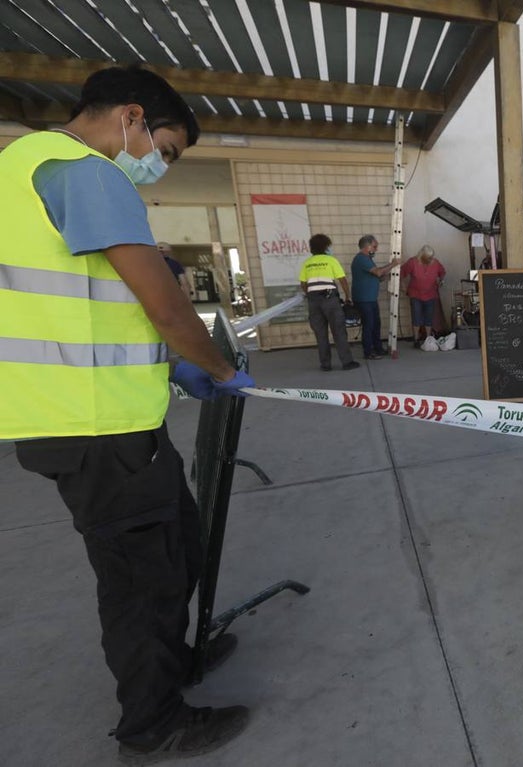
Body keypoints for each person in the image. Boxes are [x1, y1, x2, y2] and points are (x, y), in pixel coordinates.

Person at [1, 64, 254, 763]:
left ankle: (177, 660)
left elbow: (90, 310)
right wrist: (219, 368)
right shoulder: (83, 171)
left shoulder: (19, 167)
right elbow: (164, 302)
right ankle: (153, 722)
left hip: (101, 420)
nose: (157, 168)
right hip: (94, 427)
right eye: (164, 151)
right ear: (132, 118)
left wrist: (168, 368)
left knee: (178, 542)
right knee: (143, 579)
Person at [299, 233, 359, 371]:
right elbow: (342, 280)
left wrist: (310, 294)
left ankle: (325, 365)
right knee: (338, 331)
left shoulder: (307, 263)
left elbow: (303, 284)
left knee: (320, 333)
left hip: (314, 301)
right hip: (330, 299)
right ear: (326, 247)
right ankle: (347, 362)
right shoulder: (331, 260)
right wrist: (348, 297)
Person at [350, 234, 397, 360]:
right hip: (364, 300)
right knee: (369, 325)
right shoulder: (362, 259)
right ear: (367, 246)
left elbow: (375, 276)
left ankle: (378, 348)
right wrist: (393, 264)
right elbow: (378, 272)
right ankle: (368, 352)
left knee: (376, 324)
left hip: (370, 299)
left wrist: (388, 277)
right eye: (375, 246)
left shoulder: (367, 259)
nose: (376, 249)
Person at [400, 244, 446, 349]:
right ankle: (416, 339)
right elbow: (401, 272)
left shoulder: (435, 263)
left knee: (428, 317)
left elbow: (442, 272)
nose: (431, 259)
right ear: (422, 256)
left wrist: (441, 280)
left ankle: (428, 339)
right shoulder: (413, 262)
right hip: (415, 294)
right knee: (416, 317)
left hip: (430, 294)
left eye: (431, 257)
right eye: (428, 258)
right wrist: (403, 286)